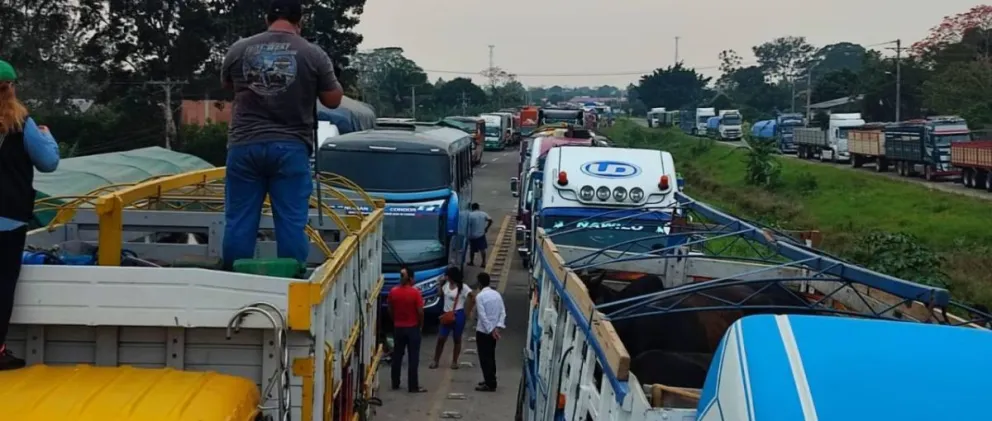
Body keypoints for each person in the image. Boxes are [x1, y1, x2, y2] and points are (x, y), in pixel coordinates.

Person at [220, 0, 344, 271]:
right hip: (290, 148)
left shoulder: (239, 49)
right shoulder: (313, 54)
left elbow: (228, 84)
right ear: (300, 22)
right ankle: (291, 280)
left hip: (244, 145)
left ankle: (232, 278)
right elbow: (333, 100)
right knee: (291, 221)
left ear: (267, 19)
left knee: (239, 220)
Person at [0, 59, 60, 370]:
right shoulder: (23, 125)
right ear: (11, 88)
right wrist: (46, 136)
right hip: (8, 215)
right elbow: (48, 163)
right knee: (3, 282)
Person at [387, 267, 427, 393]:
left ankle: (395, 382)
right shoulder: (415, 293)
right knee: (413, 357)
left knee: (397, 356)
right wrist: (421, 325)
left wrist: (396, 320)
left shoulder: (393, 292)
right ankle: (413, 385)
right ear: (411, 279)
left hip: (398, 327)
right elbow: (420, 312)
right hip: (412, 328)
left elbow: (390, 309)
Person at [429, 266, 473, 369]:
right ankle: (436, 360)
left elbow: (472, 296)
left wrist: (467, 311)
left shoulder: (463, 287)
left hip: (458, 314)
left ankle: (454, 361)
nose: (446, 277)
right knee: (441, 338)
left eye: (447, 276)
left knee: (457, 339)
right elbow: (439, 294)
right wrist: (440, 284)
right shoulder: (446, 285)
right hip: (446, 314)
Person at [473, 272, 505, 392]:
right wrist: (497, 327)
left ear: (479, 283)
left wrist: (490, 330)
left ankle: (490, 383)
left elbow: (482, 316)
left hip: (483, 331)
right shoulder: (497, 295)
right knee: (491, 355)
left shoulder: (480, 297)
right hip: (494, 331)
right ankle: (490, 378)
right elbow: (502, 312)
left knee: (484, 358)